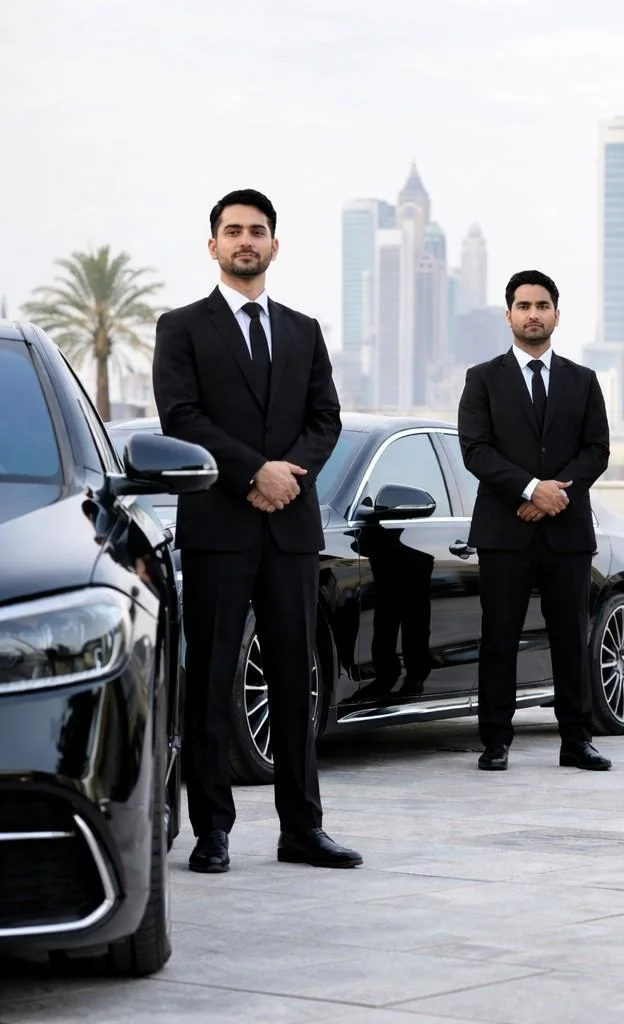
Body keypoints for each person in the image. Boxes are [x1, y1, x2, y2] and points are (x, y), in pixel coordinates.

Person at [152, 189, 362, 871]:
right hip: (218, 528)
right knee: (211, 681)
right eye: (234, 231)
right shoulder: (180, 327)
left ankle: (302, 827)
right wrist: (253, 474)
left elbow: (326, 419)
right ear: (212, 245)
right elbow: (181, 418)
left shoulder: (303, 330)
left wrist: (288, 475)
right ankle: (212, 830)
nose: (247, 241)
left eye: (258, 231)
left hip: (291, 531)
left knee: (295, 683)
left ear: (276, 245)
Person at [458, 270, 612, 771]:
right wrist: (529, 489)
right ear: (509, 316)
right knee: (500, 636)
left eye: (542, 305)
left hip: (566, 532)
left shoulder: (583, 381)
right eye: (523, 306)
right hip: (505, 532)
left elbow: (597, 451)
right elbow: (476, 450)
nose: (533, 314)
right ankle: (496, 740)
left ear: (556, 315)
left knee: (571, 637)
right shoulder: (482, 379)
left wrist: (554, 494)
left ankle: (577, 740)